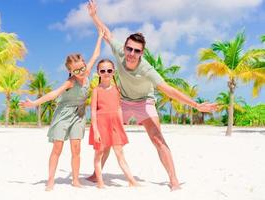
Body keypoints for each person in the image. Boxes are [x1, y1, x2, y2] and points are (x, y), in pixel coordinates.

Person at [86, 0, 217, 191]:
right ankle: (95, 173)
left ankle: (173, 180)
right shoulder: (119, 53)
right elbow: (106, 32)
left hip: (144, 103)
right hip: (122, 101)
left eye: (136, 51)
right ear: (124, 47)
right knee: (107, 136)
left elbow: (169, 90)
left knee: (157, 138)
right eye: (129, 48)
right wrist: (94, 16)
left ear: (142, 52)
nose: (131, 53)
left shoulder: (147, 69)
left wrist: (196, 106)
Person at [20, 29, 104, 191]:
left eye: (82, 68)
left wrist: (100, 36)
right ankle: (50, 180)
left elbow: (96, 54)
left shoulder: (86, 73)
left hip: (79, 115)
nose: (80, 73)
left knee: (76, 148)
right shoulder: (70, 82)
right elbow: (53, 94)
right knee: (57, 147)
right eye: (76, 71)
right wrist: (34, 103)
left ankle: (75, 180)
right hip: (63, 115)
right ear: (70, 71)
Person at [89, 59, 139, 188]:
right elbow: (93, 112)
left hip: (115, 125)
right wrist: (95, 131)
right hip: (100, 125)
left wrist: (121, 125)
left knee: (119, 152)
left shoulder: (117, 89)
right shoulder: (96, 90)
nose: (106, 73)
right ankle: (99, 182)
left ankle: (132, 181)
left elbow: (118, 108)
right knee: (99, 153)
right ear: (98, 73)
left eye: (109, 70)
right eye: (103, 71)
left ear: (113, 72)